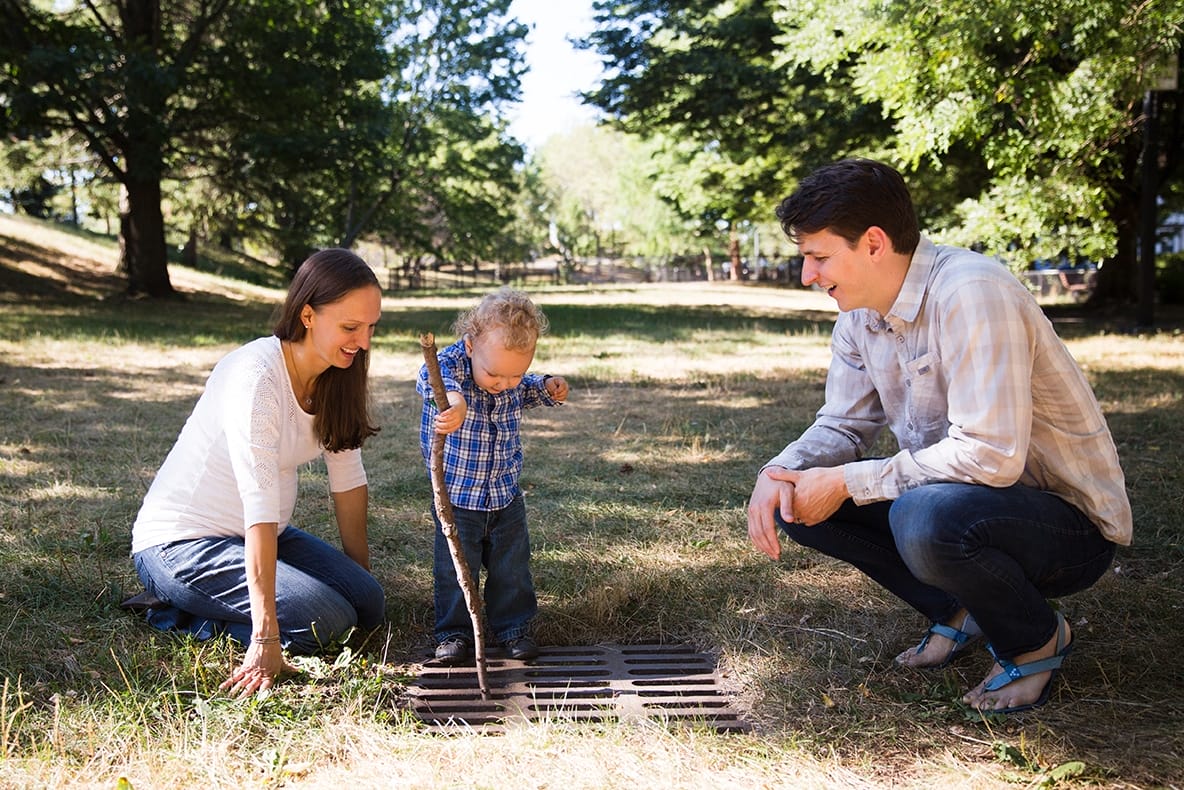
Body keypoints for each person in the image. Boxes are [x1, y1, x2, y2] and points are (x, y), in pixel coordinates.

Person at [746, 159, 1132, 714]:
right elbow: (843, 424)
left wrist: (847, 480)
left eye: (819, 256)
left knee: (922, 518)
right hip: (963, 500)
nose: (808, 275)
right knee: (797, 500)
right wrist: (780, 473)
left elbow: (991, 455)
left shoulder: (972, 290)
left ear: (874, 243)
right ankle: (958, 610)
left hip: (1066, 524)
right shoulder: (859, 315)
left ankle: (1034, 638)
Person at [128, 248, 387, 698]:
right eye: (350, 327)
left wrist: (357, 581)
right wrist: (266, 635)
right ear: (308, 315)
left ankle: (315, 601)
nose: (363, 342)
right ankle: (174, 610)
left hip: (259, 536)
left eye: (370, 328)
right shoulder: (256, 376)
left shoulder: (336, 375)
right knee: (325, 620)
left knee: (368, 603)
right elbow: (259, 507)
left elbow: (348, 482)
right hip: (180, 544)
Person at [418, 288, 569, 665]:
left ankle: (513, 628)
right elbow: (429, 377)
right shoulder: (451, 364)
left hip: (504, 494)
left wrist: (548, 385)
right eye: (494, 374)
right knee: (455, 570)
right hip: (457, 499)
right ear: (470, 346)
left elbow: (528, 388)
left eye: (514, 374)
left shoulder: (507, 377)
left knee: (512, 569)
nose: (503, 383)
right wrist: (454, 401)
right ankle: (453, 633)